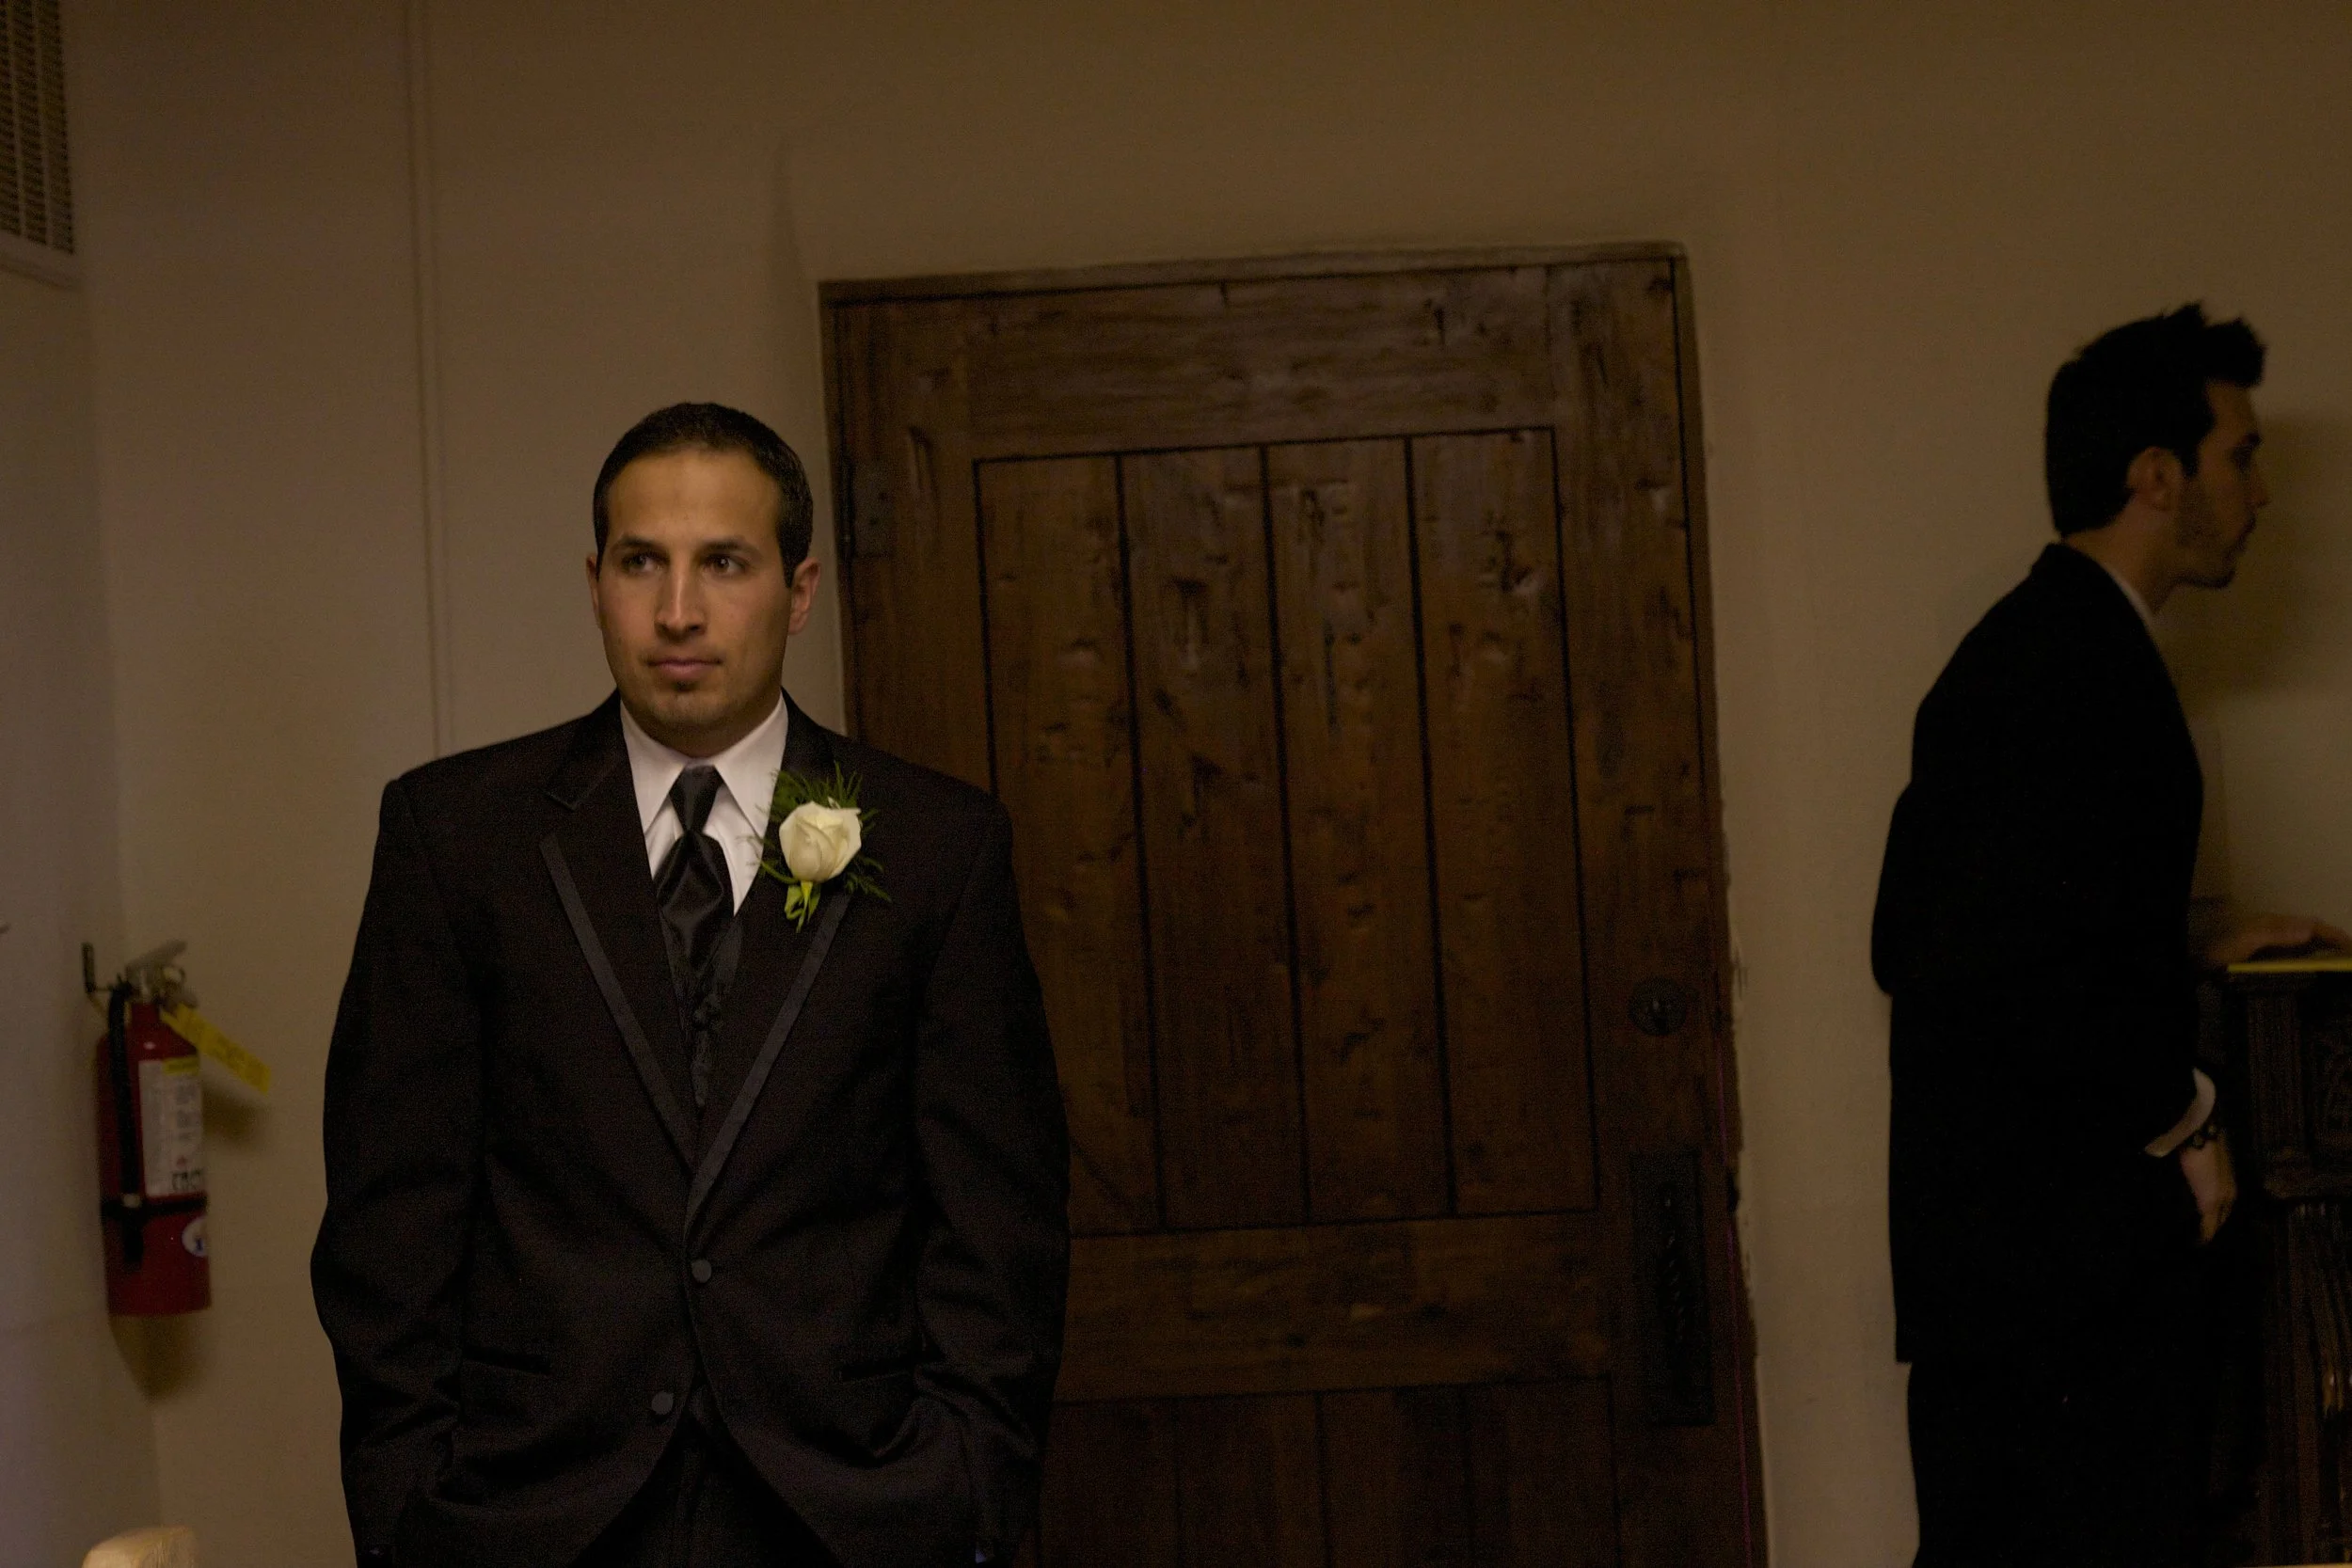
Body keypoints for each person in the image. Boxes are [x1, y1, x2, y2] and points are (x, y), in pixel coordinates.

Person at [312, 404, 1069, 1568]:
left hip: (855, 1511)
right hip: (532, 1514)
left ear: (799, 589)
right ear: (595, 580)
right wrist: (413, 1506)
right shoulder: (456, 835)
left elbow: (998, 1220)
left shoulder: (936, 846)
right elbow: (389, 1222)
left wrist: (963, 1481)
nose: (678, 611)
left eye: (724, 563)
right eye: (641, 563)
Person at [1873, 305, 2347, 1566]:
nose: (2261, 491)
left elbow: (1990, 911)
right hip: (2052, 1279)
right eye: (2238, 455)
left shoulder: (2049, 648)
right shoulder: (2068, 664)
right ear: (2155, 475)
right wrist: (2188, 1126)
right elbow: (1952, 952)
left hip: (2021, 1279)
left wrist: (2183, 933)